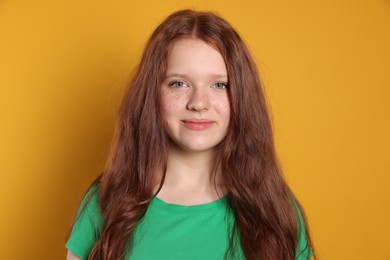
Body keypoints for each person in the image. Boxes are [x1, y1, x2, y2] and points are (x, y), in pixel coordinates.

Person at [66, 9, 314, 260]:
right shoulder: (108, 200)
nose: (198, 103)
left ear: (242, 97)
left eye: (220, 85)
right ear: (153, 94)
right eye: (178, 83)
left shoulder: (275, 208)